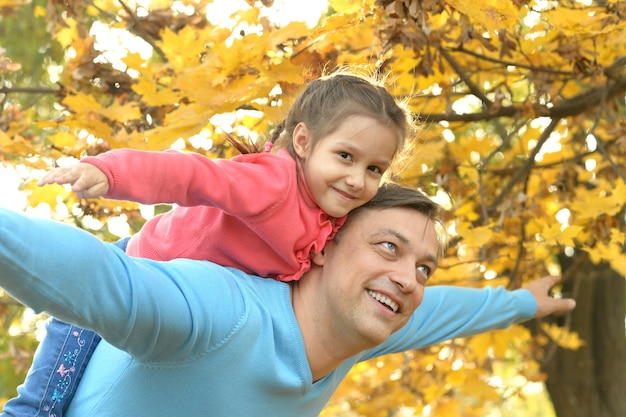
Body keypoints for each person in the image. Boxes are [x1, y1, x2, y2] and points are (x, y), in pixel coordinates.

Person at [3, 71, 412, 417]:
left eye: (375, 168)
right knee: (43, 404)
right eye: (345, 156)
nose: (358, 179)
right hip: (133, 268)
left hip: (184, 313)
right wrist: (109, 172)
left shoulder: (335, 216)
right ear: (303, 142)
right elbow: (191, 176)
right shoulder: (271, 184)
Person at [0, 183, 575, 417]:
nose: (409, 279)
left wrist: (523, 302)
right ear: (321, 248)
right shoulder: (221, 313)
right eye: (388, 248)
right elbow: (100, 277)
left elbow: (450, 309)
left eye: (422, 267)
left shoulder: (359, 328)